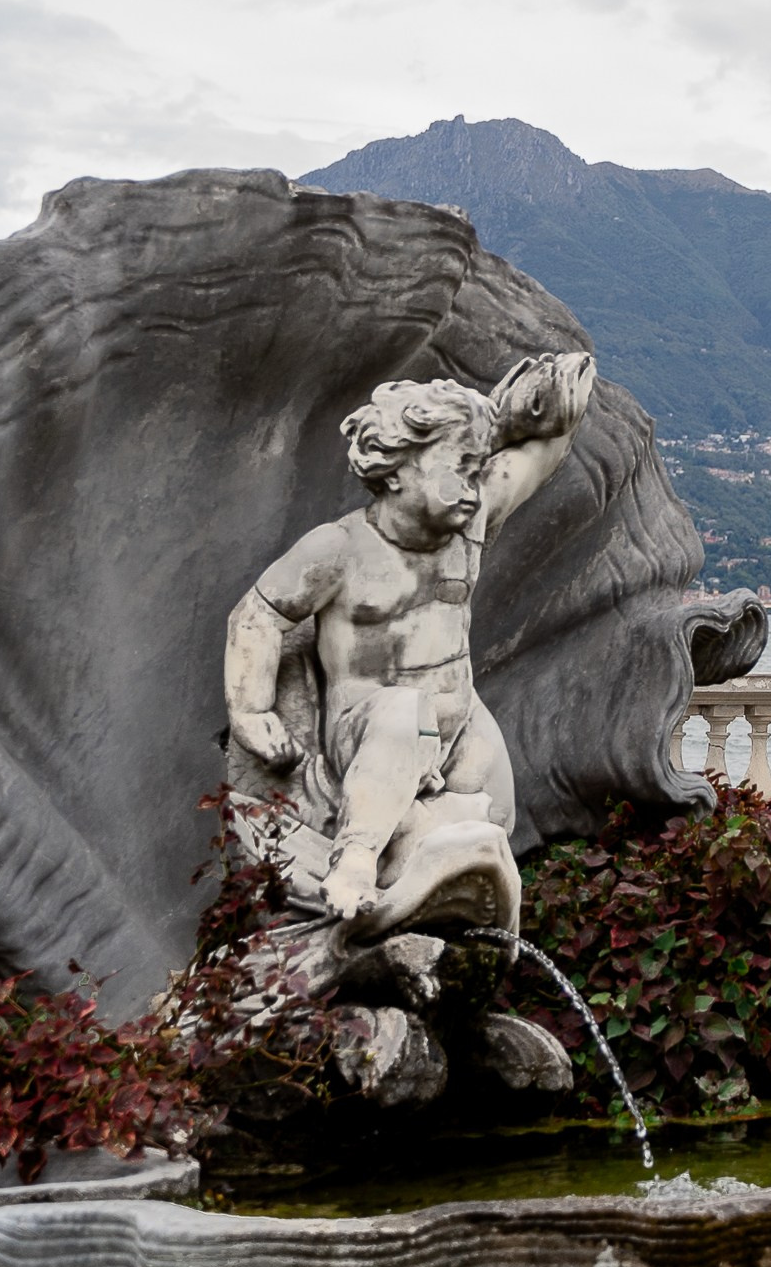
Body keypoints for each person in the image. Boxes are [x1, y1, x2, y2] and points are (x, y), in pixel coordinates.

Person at [224, 349, 597, 928]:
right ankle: (356, 856)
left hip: (459, 726)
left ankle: (474, 952)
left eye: (478, 469)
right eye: (457, 468)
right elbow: (257, 615)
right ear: (394, 468)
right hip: (369, 729)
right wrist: (251, 710)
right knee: (403, 711)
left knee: (490, 830)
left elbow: (536, 458)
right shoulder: (338, 550)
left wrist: (550, 410)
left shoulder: (467, 530)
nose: (473, 487)